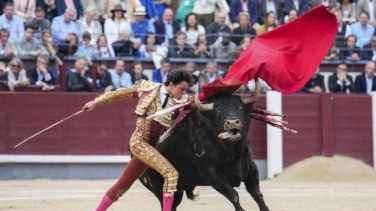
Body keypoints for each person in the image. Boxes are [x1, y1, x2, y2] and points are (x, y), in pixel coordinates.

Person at [83, 70, 193, 211]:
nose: (184, 92)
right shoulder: (149, 89)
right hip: (139, 142)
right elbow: (120, 93)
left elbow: (199, 100)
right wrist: (96, 102)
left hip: (150, 148)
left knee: (121, 186)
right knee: (171, 175)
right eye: (181, 89)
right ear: (171, 85)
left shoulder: (180, 100)